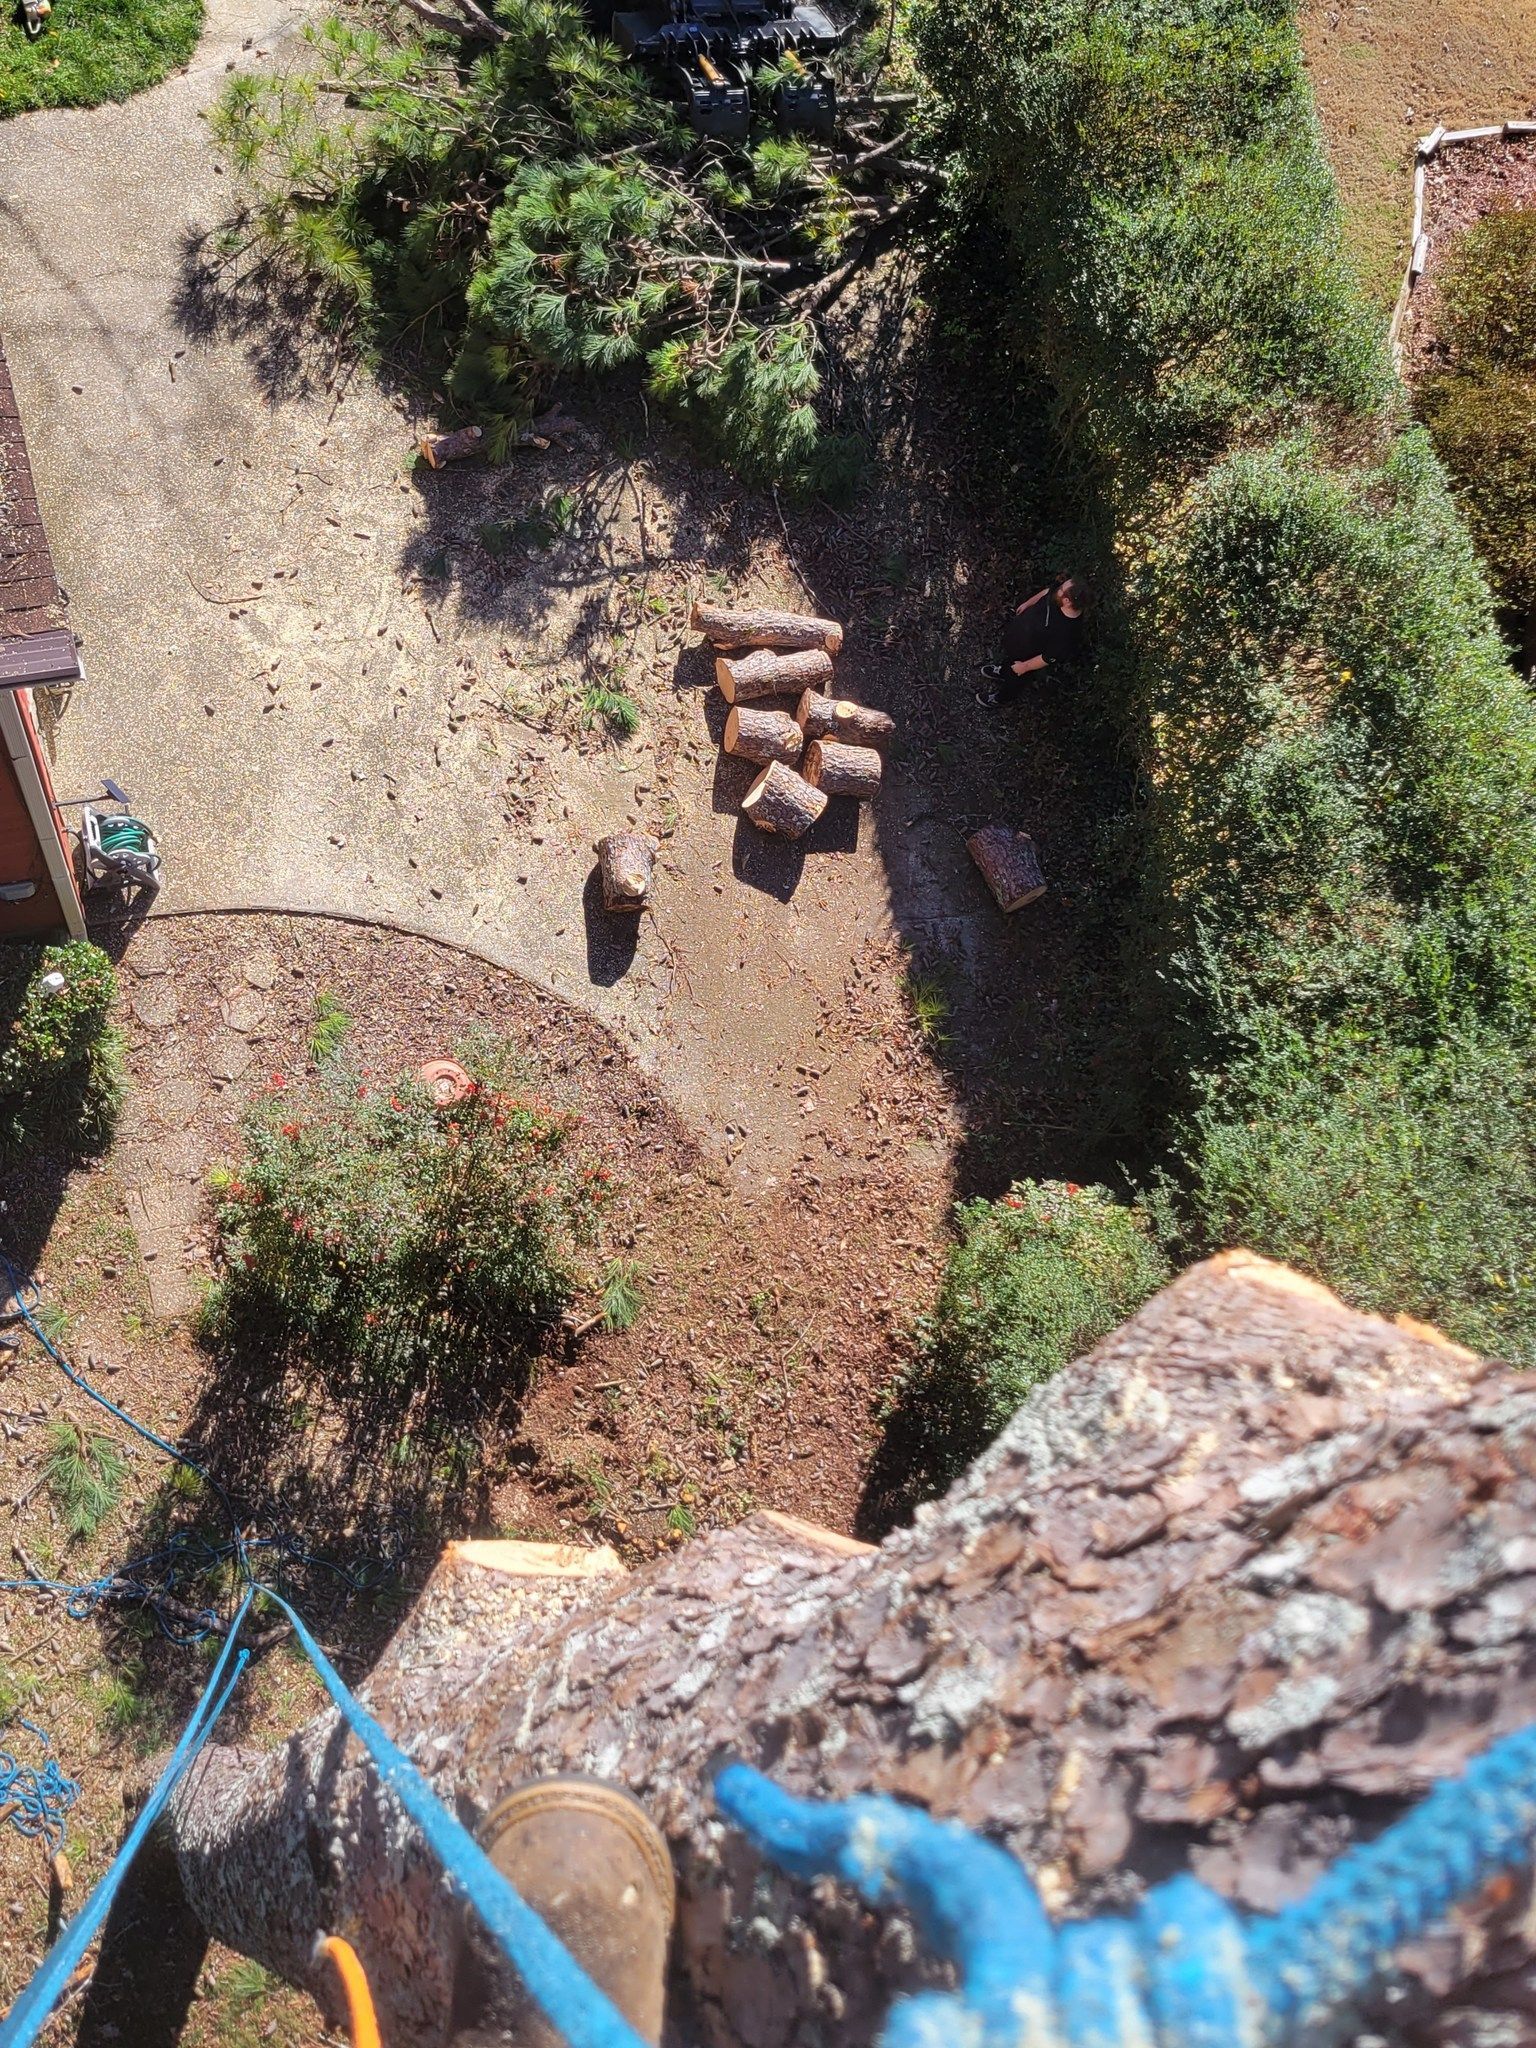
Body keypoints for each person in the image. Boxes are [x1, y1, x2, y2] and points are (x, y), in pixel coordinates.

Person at [977, 575, 1089, 705]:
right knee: (1009, 659)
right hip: (1018, 639)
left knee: (1016, 679)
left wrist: (1024, 667)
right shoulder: (1058, 595)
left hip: (1027, 657)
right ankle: (1002, 671)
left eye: (1061, 589)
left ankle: (1001, 698)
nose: (1058, 588)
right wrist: (1027, 604)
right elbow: (1046, 592)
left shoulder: (1067, 633)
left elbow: (1047, 658)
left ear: (1067, 601)